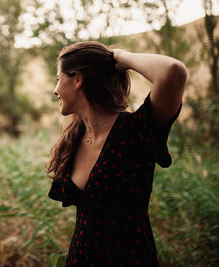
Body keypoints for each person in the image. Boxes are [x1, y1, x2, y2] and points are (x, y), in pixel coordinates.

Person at [46, 41, 187, 266]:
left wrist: (121, 57)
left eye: (58, 78)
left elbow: (173, 72)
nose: (55, 90)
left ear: (78, 80)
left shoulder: (137, 130)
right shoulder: (75, 137)